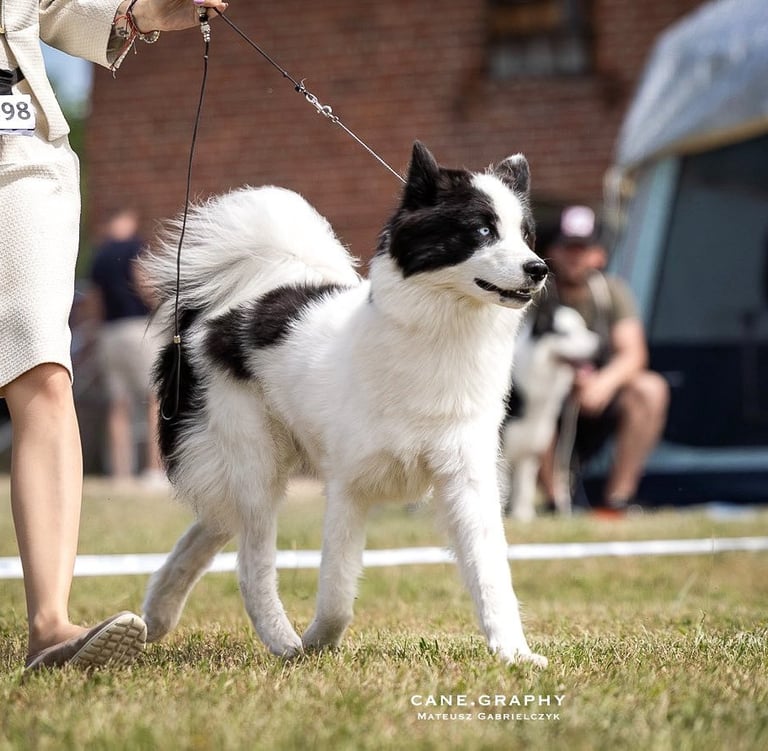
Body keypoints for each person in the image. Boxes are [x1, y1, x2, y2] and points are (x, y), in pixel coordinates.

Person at [1, 0, 228, 673]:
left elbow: (49, 6)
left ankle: (50, 624)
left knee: (44, 368)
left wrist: (140, 11)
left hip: (18, 152)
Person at [540, 205, 669, 513]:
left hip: (597, 398)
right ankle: (555, 500)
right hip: (549, 398)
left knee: (651, 388)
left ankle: (618, 500)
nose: (574, 256)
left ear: (599, 255)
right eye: (567, 247)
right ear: (551, 251)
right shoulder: (538, 296)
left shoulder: (612, 292)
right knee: (533, 404)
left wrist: (603, 383)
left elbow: (634, 353)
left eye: (582, 248)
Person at [87, 208, 164, 485]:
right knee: (155, 400)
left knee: (117, 405)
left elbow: (94, 301)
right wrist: (163, 312)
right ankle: (154, 471)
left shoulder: (99, 254)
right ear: (129, 220)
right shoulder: (136, 247)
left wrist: (98, 332)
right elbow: (143, 283)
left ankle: (120, 473)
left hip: (109, 333)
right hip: (139, 329)